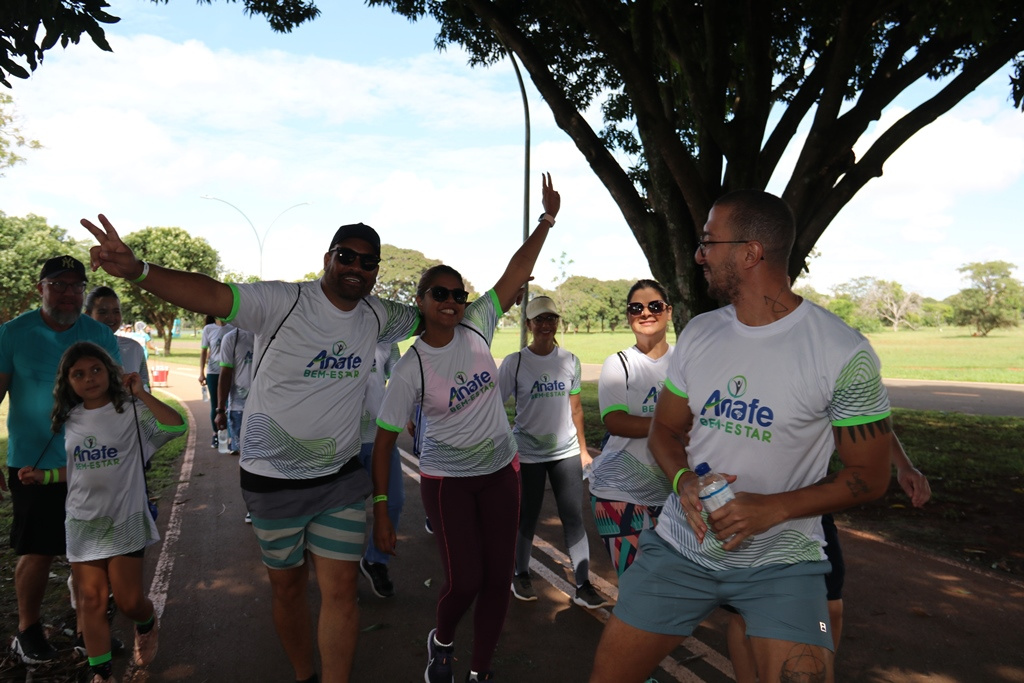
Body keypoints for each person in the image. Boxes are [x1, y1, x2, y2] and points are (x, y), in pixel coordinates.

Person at [84, 214, 420, 683]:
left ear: (376, 271)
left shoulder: (378, 314)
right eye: (347, 256)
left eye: (368, 262)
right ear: (328, 258)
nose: (356, 268)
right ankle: (304, 675)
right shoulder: (283, 301)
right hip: (271, 480)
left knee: (342, 590)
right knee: (288, 590)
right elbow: (210, 294)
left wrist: (484, 290)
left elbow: (442, 310)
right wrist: (139, 270)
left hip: (338, 478)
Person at [589, 190, 895, 683]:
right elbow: (665, 429)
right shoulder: (700, 333)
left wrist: (772, 509)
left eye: (709, 242)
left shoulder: (842, 351)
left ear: (751, 253)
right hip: (680, 548)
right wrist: (683, 480)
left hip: (783, 562)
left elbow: (871, 476)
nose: (699, 255)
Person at [371, 173, 559, 683]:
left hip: (500, 472)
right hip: (447, 482)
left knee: (498, 578)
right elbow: (384, 443)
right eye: (440, 293)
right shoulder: (411, 367)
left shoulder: (478, 324)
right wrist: (382, 509)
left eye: (458, 292)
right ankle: (443, 641)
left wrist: (546, 220)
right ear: (421, 300)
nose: (452, 300)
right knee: (466, 580)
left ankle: (480, 670)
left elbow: (516, 271)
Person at [26, 342, 186, 682]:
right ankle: (102, 673)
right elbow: (77, 469)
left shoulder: (130, 411)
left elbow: (176, 427)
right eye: (78, 374)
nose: (89, 379)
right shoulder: (70, 418)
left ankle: (146, 621)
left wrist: (142, 394)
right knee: (91, 600)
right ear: (68, 382)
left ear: (110, 371)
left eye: (96, 370)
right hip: (82, 521)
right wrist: (45, 476)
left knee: (129, 602)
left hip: (125, 518)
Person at [726, 437, 932, 682]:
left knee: (830, 607)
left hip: (807, 504)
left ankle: (818, 670)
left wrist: (904, 465)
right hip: (750, 498)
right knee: (745, 612)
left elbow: (874, 423)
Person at [0, 255, 121, 664]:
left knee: (92, 552)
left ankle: (91, 634)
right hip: (32, 465)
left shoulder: (99, 334)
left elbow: (113, 398)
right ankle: (27, 632)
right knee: (37, 550)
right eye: (58, 284)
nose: (68, 293)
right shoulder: (12, 334)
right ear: (41, 288)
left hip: (91, 461)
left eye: (76, 286)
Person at [497, 295, 609, 609]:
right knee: (527, 516)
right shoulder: (515, 363)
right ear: (529, 324)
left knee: (573, 516)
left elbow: (576, 409)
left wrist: (583, 450)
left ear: (557, 322)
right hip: (528, 453)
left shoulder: (570, 360)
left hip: (566, 451)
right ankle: (520, 574)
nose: (545, 325)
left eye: (551, 318)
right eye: (539, 320)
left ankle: (583, 584)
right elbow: (493, 405)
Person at [587, 280, 674, 577]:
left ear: (668, 311)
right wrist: (673, 425)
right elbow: (616, 421)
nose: (646, 313)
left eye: (655, 306)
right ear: (628, 316)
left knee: (673, 583)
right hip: (619, 491)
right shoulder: (619, 363)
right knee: (636, 584)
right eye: (636, 308)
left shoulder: (685, 362)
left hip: (673, 493)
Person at [356, 342, 403, 598]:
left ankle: (375, 560)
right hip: (343, 439)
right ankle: (341, 567)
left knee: (393, 501)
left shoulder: (387, 337)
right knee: (347, 510)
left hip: (380, 435)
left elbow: (397, 375)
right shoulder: (334, 327)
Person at [86, 285, 151, 391]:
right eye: (103, 312)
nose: (111, 317)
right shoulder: (77, 349)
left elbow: (145, 387)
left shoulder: (134, 348)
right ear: (87, 315)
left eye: (116, 311)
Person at [214, 326, 255, 456]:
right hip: (239, 408)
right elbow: (225, 374)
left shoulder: (270, 334)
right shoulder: (232, 338)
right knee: (245, 456)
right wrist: (221, 410)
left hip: (268, 407)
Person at [199, 315, 232, 449]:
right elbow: (203, 351)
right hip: (213, 371)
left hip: (229, 371)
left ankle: (231, 437)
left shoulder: (233, 327)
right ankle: (216, 434)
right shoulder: (208, 329)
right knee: (216, 405)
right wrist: (201, 372)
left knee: (230, 404)